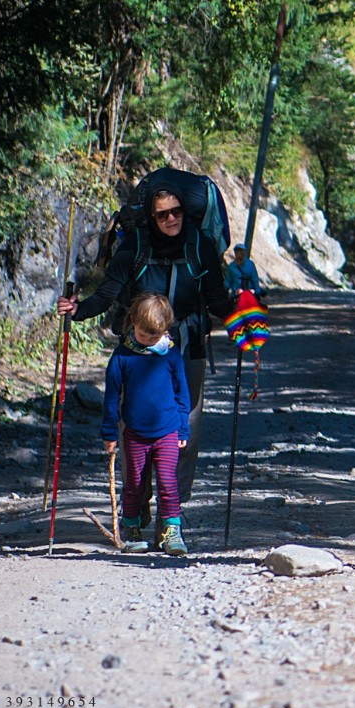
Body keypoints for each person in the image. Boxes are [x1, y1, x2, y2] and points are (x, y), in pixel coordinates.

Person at [62, 183, 232, 506]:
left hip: (187, 345)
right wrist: (78, 309)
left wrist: (244, 319)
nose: (171, 219)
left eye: (176, 212)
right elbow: (107, 294)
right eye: (163, 214)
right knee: (133, 423)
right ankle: (136, 503)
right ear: (151, 218)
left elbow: (216, 300)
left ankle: (173, 509)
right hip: (138, 349)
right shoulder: (135, 247)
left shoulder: (200, 247)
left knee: (187, 424)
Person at [99, 294, 192, 555]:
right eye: (143, 335)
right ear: (132, 324)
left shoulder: (170, 354)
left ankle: (171, 530)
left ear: (165, 330)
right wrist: (109, 432)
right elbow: (111, 397)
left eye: (155, 336)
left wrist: (183, 427)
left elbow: (182, 393)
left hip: (168, 431)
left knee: (167, 481)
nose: (149, 341)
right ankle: (132, 527)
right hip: (135, 434)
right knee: (135, 484)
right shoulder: (122, 356)